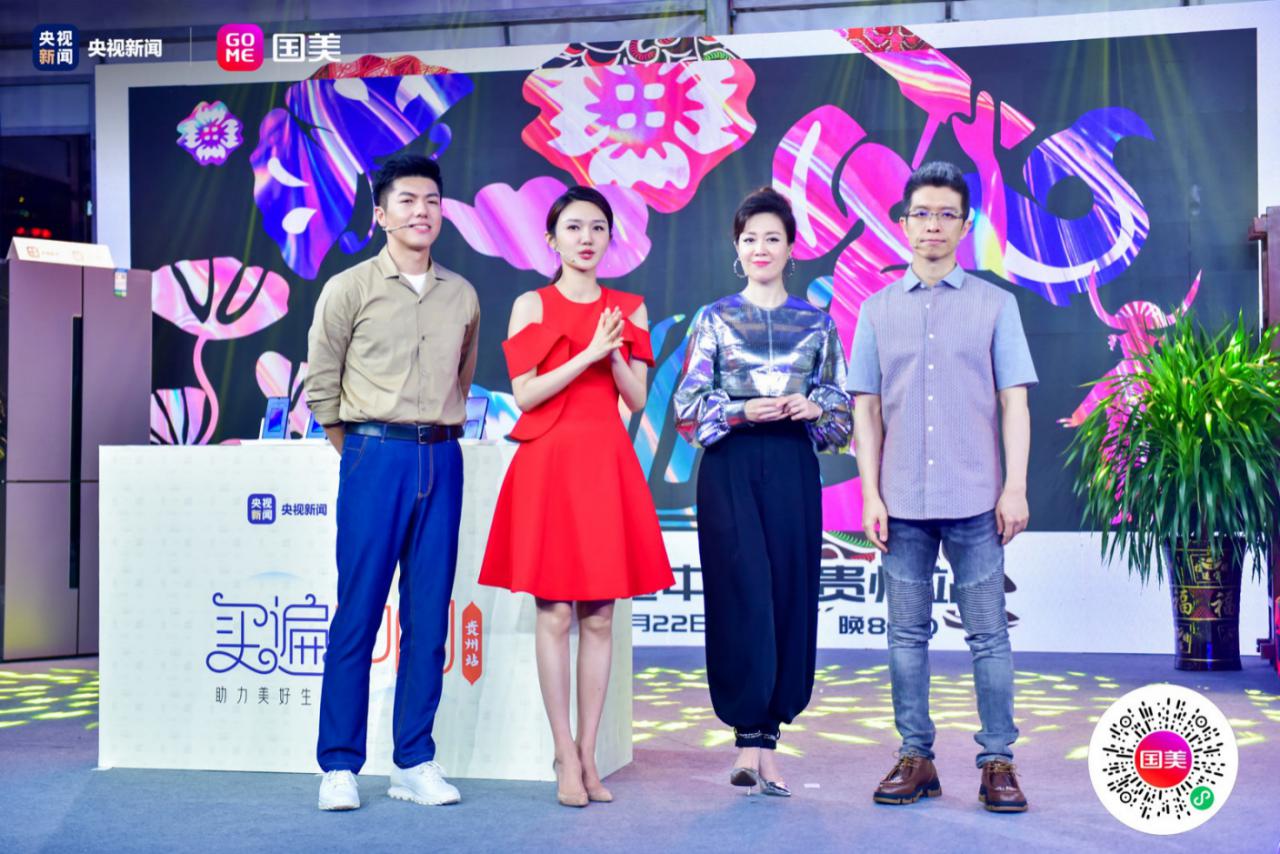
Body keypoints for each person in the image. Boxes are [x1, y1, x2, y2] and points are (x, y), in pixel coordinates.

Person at [847, 161, 1036, 813]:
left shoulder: (995, 304)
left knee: (989, 636)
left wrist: (1015, 487)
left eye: (946, 214)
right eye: (921, 213)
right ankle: (915, 757)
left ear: (965, 224)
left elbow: (1014, 402)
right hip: (900, 503)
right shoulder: (875, 310)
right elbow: (866, 409)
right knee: (905, 637)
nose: (932, 224)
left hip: (977, 499)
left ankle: (998, 762)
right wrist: (869, 495)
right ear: (903, 224)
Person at [478, 185, 673, 808]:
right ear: (551, 238)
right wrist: (589, 351)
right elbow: (527, 394)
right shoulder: (530, 305)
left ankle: (589, 754)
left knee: (600, 615)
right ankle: (562, 749)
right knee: (555, 612)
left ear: (610, 239)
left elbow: (636, 399)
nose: (586, 238)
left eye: (597, 228)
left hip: (603, 462)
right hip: (549, 461)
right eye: (574, 227)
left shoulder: (629, 308)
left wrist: (612, 356)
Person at [304, 154, 480, 811]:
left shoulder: (462, 294)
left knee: (428, 616)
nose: (421, 211)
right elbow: (323, 385)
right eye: (406, 200)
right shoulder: (348, 288)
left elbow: (462, 377)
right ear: (380, 214)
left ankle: (414, 760)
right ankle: (339, 764)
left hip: (442, 456)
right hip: (373, 456)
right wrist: (363, 450)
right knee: (358, 610)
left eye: (431, 200)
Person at [673, 187, 852, 797]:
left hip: (793, 464)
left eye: (772, 238)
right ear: (737, 247)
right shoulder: (714, 318)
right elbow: (688, 409)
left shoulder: (818, 323)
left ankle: (767, 747)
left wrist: (814, 405)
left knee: (788, 595)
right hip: (731, 465)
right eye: (750, 238)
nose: (760, 248)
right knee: (739, 591)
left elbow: (841, 414)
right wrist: (743, 410)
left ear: (791, 247)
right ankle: (745, 738)